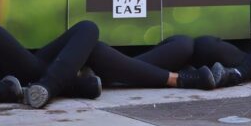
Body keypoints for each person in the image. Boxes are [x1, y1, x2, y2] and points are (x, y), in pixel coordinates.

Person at [86, 37, 216, 90]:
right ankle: (176, 79)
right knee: (91, 37)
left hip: (120, 60)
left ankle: (126, 73)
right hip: (91, 63)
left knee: (183, 44)